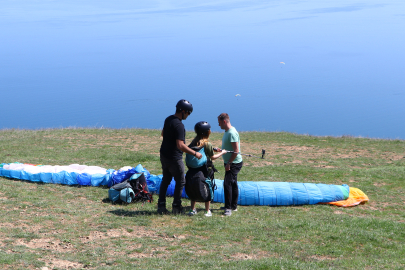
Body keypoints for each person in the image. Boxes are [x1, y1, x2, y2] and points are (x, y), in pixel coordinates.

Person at [158, 99, 202, 215]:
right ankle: (176, 207)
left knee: (166, 180)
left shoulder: (169, 119)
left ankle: (161, 206)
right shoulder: (179, 125)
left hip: (164, 155)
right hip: (174, 158)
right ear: (183, 111)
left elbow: (163, 134)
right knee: (181, 181)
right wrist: (195, 153)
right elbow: (180, 145)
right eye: (188, 113)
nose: (188, 115)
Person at [185, 121, 227, 217]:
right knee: (207, 187)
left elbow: (201, 149)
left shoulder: (193, 141)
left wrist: (213, 149)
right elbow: (212, 157)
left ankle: (192, 209)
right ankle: (207, 211)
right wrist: (222, 152)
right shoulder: (207, 143)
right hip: (202, 170)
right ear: (206, 132)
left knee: (193, 187)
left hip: (191, 170)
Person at [217, 113, 243, 216]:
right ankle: (233, 206)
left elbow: (236, 151)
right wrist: (221, 150)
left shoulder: (232, 133)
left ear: (224, 122)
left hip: (234, 163)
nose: (218, 125)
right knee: (233, 183)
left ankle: (228, 209)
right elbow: (230, 148)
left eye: (219, 123)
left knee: (227, 183)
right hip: (230, 162)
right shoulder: (227, 131)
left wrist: (229, 163)